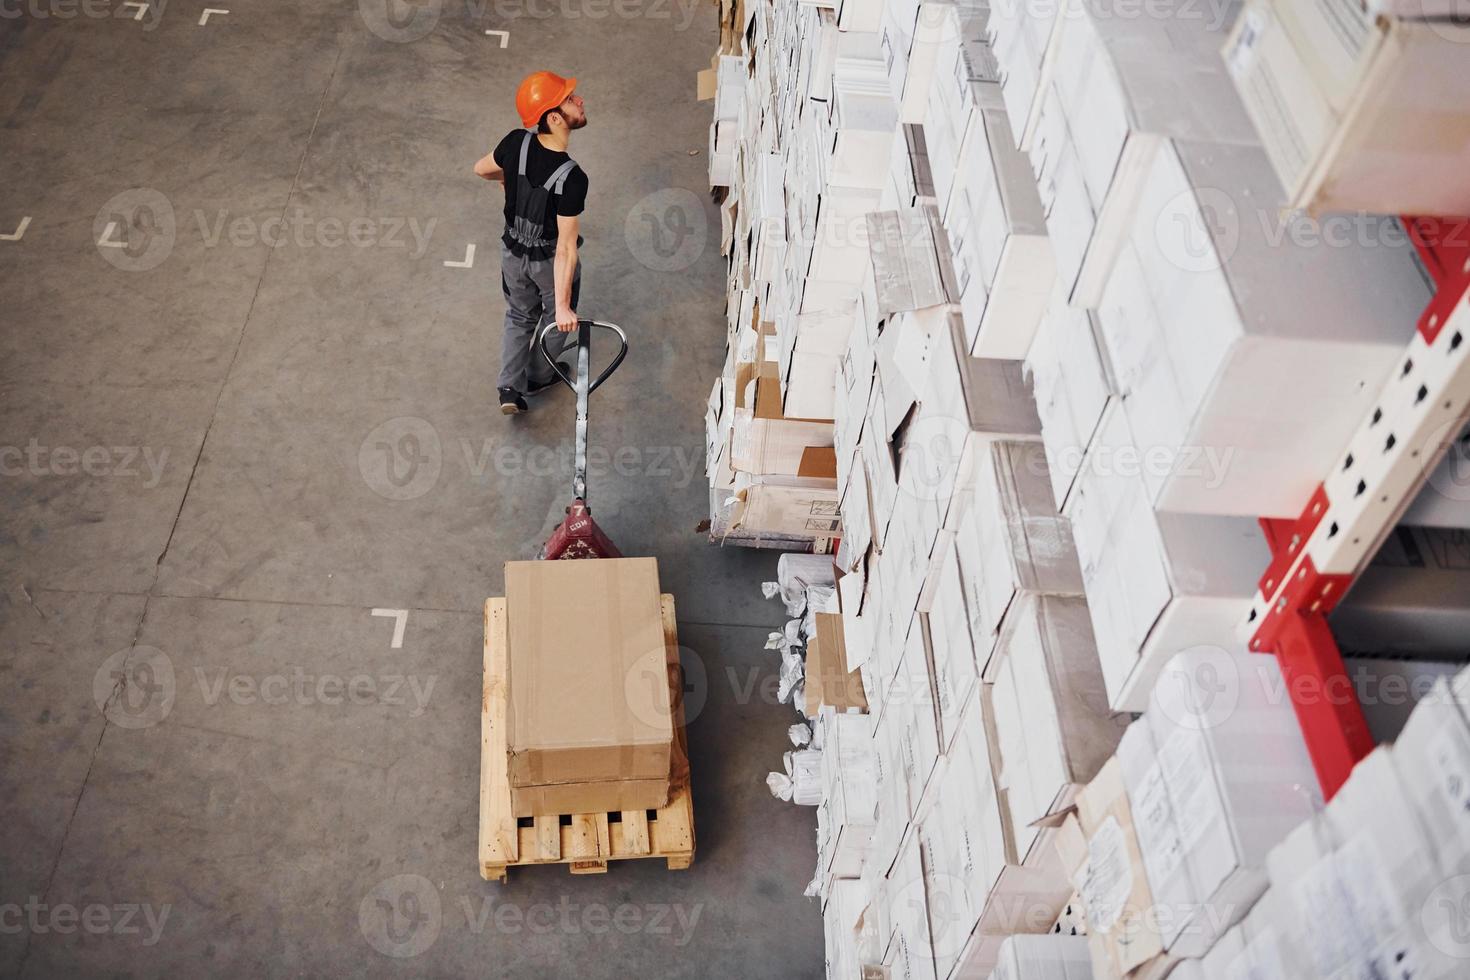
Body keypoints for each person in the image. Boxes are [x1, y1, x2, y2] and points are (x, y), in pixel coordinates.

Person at [474, 71, 588, 415]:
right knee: (554, 318)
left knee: (519, 315)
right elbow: (566, 248)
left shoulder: (514, 142)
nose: (579, 101)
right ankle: (538, 376)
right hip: (547, 259)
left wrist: (509, 176)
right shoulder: (571, 177)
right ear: (554, 118)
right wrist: (565, 307)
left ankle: (509, 388)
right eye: (570, 100)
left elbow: (481, 169)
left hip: (512, 252)